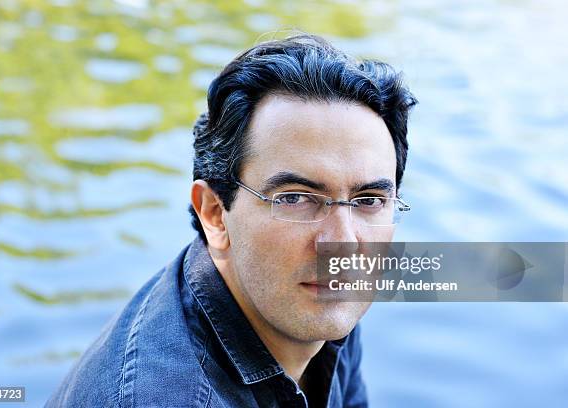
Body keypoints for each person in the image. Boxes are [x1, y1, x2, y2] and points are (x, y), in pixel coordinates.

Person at [46, 33, 417, 408]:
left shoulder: (315, 299)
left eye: (368, 200)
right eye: (295, 198)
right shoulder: (162, 397)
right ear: (214, 214)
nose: (344, 243)